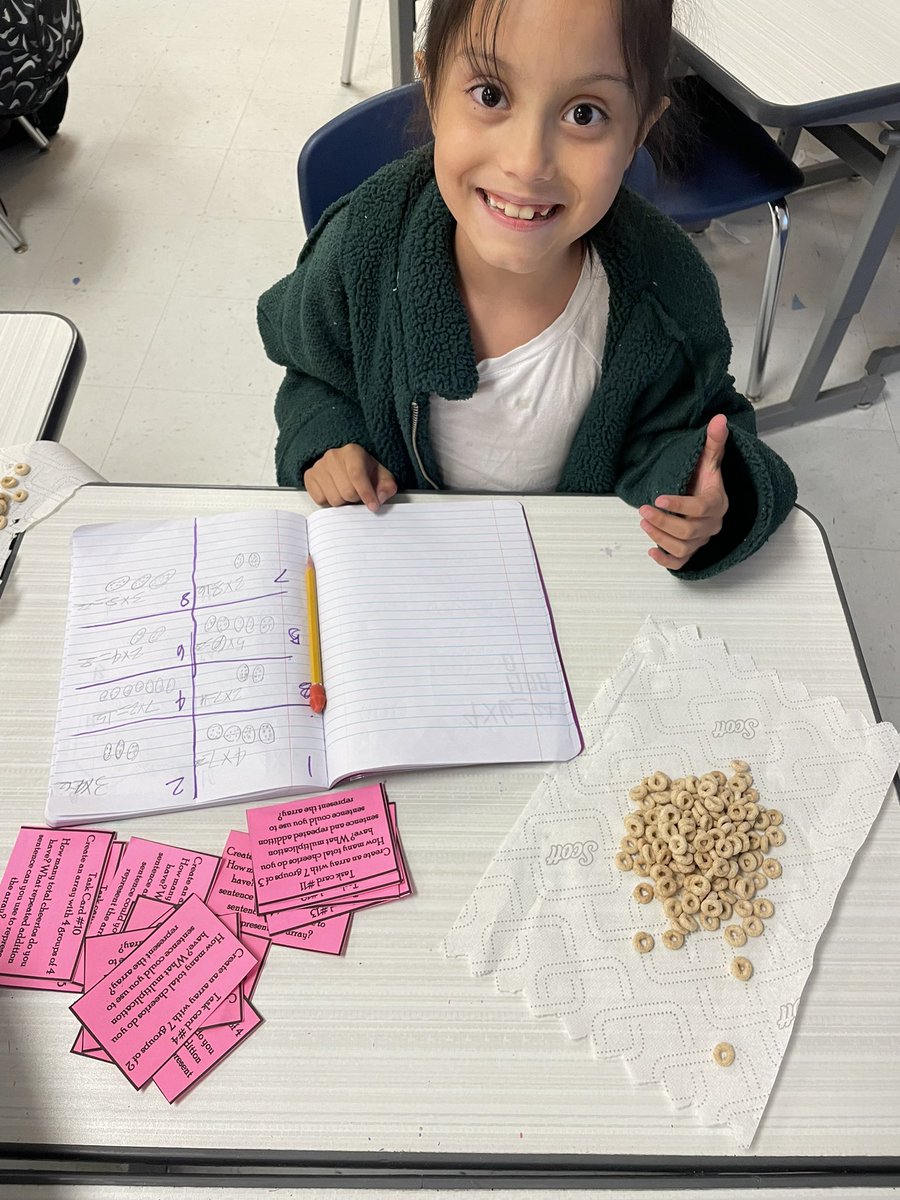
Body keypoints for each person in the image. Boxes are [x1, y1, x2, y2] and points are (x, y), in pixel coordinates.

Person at [257, 0, 797, 580]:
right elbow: (313, 371)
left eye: (585, 114)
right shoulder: (362, 247)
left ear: (641, 126)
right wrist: (326, 443)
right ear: (432, 87)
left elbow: (704, 431)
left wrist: (701, 498)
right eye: (490, 95)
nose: (528, 162)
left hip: (568, 581)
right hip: (402, 572)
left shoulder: (667, 297)